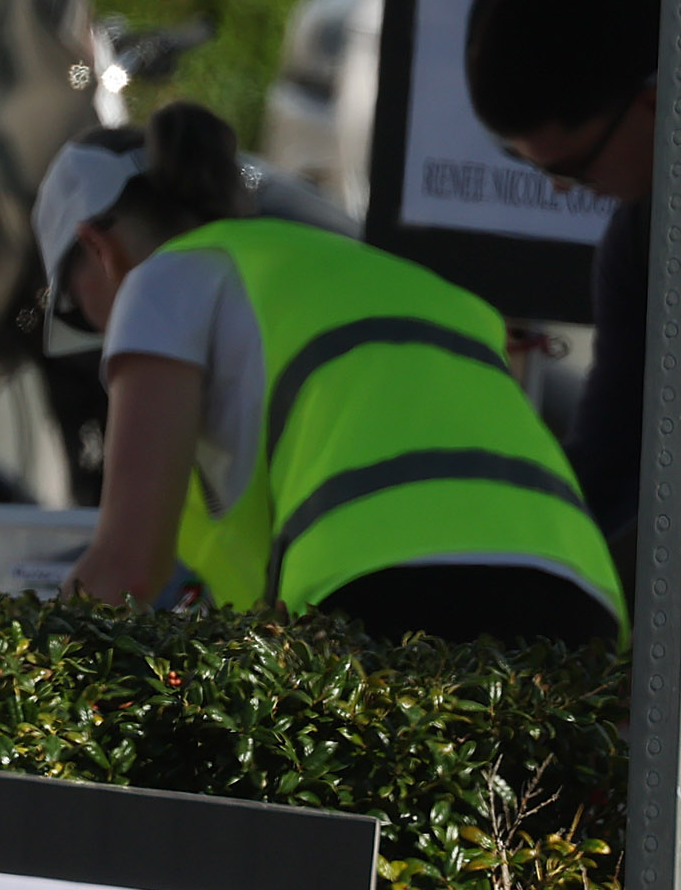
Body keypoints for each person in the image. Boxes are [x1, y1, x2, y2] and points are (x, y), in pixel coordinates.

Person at [42, 101, 620, 644]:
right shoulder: (400, 278)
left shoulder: (162, 278)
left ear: (98, 248)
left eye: (75, 308)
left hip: (385, 588)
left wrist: (16, 672)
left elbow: (126, 569)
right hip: (579, 592)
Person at [465, 0, 681, 774]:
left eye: (572, 165)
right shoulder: (644, 239)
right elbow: (609, 461)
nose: (568, 192)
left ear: (652, 101)